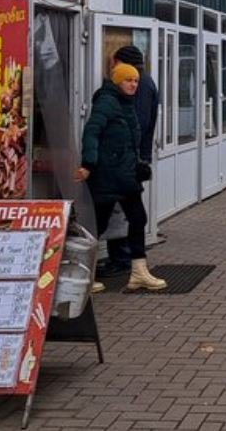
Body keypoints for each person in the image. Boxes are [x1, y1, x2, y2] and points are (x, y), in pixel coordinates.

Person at [75, 63, 166, 291]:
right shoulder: (107, 102)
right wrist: (88, 164)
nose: (133, 84)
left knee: (137, 219)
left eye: (135, 80)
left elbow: (127, 141)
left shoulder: (127, 104)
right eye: (128, 80)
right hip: (108, 175)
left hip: (124, 175)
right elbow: (91, 132)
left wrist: (138, 163)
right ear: (117, 81)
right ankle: (82, 274)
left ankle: (138, 271)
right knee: (97, 224)